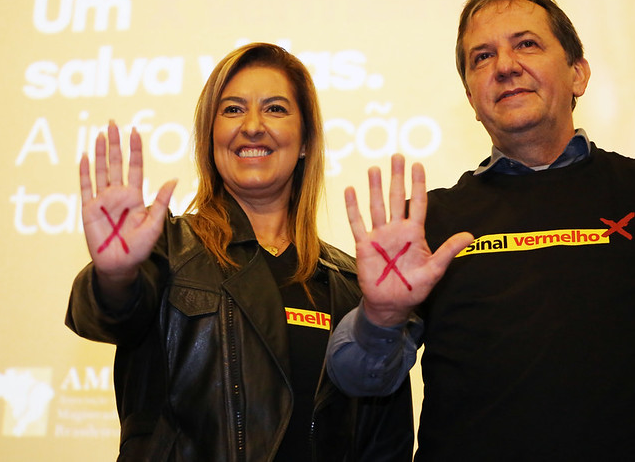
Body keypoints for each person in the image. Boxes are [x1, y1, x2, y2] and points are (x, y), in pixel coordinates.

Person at [326, 0, 635, 460]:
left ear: (578, 74)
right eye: (482, 57)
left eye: (526, 44)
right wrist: (381, 317)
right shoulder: (426, 224)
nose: (505, 66)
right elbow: (361, 381)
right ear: (471, 98)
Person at [65, 42, 413, 461]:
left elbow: (384, 445)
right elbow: (103, 315)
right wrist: (116, 276)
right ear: (210, 138)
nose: (252, 126)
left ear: (305, 141)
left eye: (275, 109)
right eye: (232, 110)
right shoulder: (167, 249)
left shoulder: (355, 282)